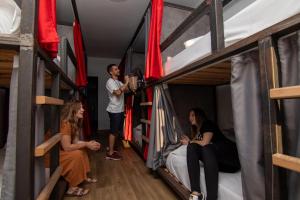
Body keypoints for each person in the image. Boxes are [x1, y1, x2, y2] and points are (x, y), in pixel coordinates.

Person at [180, 108, 240, 200]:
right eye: (189, 115)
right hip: (217, 161)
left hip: (231, 158)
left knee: (205, 148)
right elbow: (195, 145)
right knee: (191, 147)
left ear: (199, 115)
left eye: (192, 115)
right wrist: (190, 142)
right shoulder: (198, 131)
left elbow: (204, 143)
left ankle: (212, 198)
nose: (190, 118)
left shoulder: (207, 124)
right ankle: (196, 193)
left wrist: (190, 142)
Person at [60, 100, 101, 196]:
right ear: (73, 111)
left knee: (82, 149)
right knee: (77, 154)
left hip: (63, 150)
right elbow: (67, 147)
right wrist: (86, 144)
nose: (83, 110)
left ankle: (83, 176)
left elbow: (76, 142)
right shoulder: (65, 124)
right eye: (80, 108)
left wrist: (89, 143)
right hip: (53, 155)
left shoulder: (74, 123)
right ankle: (72, 188)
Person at [105, 64, 129, 160]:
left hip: (120, 110)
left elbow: (126, 90)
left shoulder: (118, 82)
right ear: (111, 72)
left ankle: (111, 147)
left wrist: (126, 83)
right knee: (113, 131)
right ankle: (110, 153)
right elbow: (118, 93)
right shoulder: (109, 82)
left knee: (117, 131)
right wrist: (126, 82)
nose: (118, 70)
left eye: (118, 68)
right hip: (114, 110)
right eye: (116, 69)